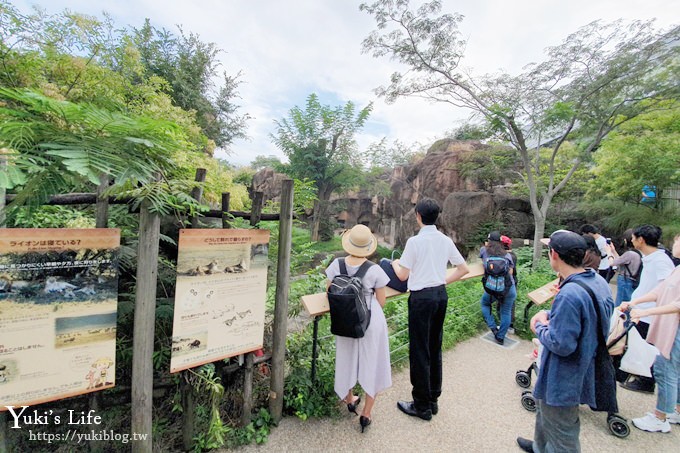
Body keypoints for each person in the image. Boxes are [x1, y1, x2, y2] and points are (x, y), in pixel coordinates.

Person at [517, 230, 613, 453]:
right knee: (544, 412)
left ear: (554, 255)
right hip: (583, 362)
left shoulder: (569, 293)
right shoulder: (596, 280)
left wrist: (538, 325)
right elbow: (588, 316)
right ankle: (540, 447)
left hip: (565, 373)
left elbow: (562, 344)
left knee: (562, 430)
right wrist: (551, 316)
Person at [391, 198, 469, 420]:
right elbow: (462, 269)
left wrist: (395, 264)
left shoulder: (414, 242)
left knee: (419, 350)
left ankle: (421, 406)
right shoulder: (444, 240)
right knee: (434, 346)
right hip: (439, 296)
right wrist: (442, 281)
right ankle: (433, 399)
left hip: (421, 299)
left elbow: (402, 276)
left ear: (418, 216)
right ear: (437, 217)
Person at [325, 224, 391, 433]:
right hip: (370, 321)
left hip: (344, 320)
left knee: (346, 359)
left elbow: (329, 291)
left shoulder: (337, 264)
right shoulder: (374, 269)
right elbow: (381, 301)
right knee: (373, 362)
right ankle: (366, 414)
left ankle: (350, 399)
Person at [620, 233, 680, 433]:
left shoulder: (664, 262)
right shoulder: (677, 268)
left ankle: (660, 417)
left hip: (674, 329)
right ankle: (676, 410)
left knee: (666, 370)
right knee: (671, 370)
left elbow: (677, 304)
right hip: (666, 325)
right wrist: (635, 302)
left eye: (678, 241)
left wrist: (646, 311)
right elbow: (660, 291)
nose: (674, 243)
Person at [479, 231, 516, 345]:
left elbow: (483, 262)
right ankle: (500, 337)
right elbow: (510, 272)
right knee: (506, 312)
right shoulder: (507, 255)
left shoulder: (484, 250)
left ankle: (493, 328)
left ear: (488, 241)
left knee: (485, 304)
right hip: (508, 288)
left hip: (492, 288)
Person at [609, 229, 642, 307]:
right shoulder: (638, 252)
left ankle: (619, 319)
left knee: (620, 304)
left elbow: (612, 263)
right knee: (628, 302)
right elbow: (620, 260)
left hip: (625, 280)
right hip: (633, 280)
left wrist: (608, 252)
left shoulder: (629, 254)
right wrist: (613, 251)